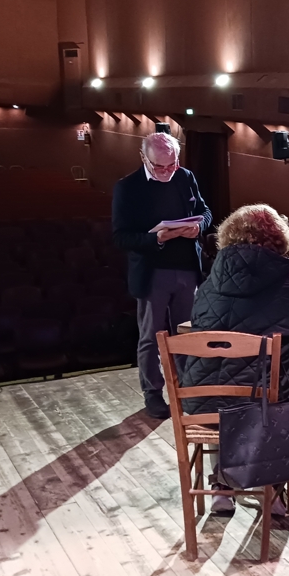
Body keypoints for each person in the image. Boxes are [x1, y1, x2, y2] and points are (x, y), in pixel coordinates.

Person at [179, 204, 289, 514]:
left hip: (202, 405)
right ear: (279, 237)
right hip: (266, 407)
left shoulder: (209, 281)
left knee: (223, 392)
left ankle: (221, 487)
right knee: (271, 386)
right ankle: (272, 491)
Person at [113, 131, 211, 420]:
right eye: (160, 167)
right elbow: (120, 237)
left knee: (186, 334)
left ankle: (187, 391)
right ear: (144, 158)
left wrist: (199, 227)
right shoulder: (127, 187)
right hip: (152, 270)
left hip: (187, 269)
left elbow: (205, 211)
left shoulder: (185, 176)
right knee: (152, 337)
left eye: (172, 165)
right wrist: (156, 238)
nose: (168, 172)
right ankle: (153, 393)